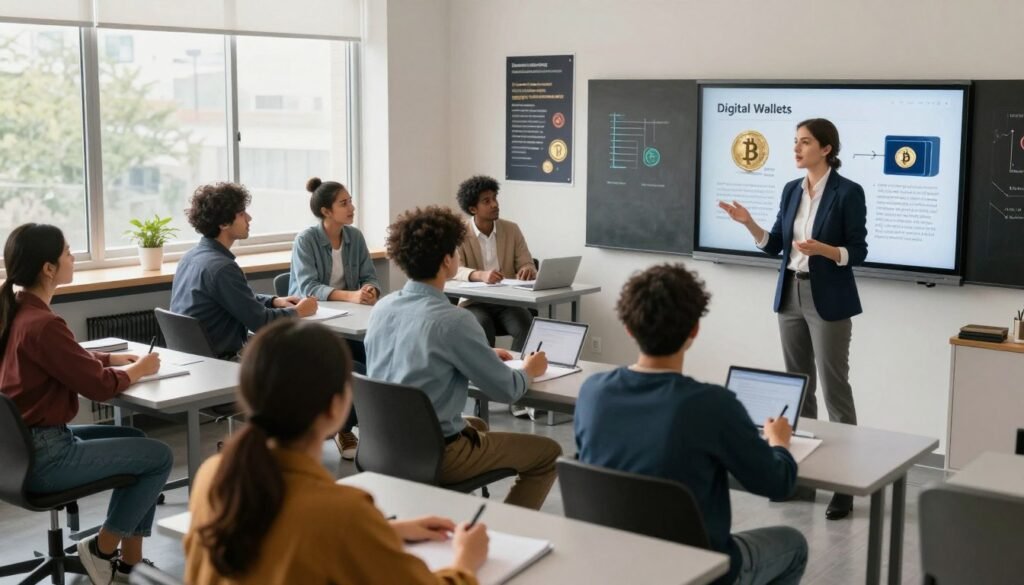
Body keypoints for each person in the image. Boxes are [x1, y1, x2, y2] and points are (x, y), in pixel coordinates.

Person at [184, 319, 489, 584]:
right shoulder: (343, 513)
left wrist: (384, 531)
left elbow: (287, 536)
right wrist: (465, 560)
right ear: (336, 406)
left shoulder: (213, 475)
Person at [574, 264, 807, 585]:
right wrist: (779, 443)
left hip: (615, 564)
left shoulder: (592, 392)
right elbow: (778, 484)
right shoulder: (713, 405)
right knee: (794, 545)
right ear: (694, 330)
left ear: (628, 328)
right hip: (700, 571)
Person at [0, 223, 173, 584]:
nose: (73, 256)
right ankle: (102, 550)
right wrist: (139, 368)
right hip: (46, 456)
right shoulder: (43, 324)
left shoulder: (16, 312)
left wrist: (108, 358)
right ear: (48, 268)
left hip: (17, 452)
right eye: (66, 252)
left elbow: (62, 357)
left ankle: (130, 565)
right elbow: (98, 388)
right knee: (160, 457)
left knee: (139, 443)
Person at [718, 118, 867, 520]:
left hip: (829, 300)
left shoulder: (848, 192)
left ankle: (843, 489)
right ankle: (800, 480)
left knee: (835, 392)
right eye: (795, 142)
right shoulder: (790, 190)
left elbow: (858, 251)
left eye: (805, 143)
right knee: (799, 391)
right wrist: (749, 224)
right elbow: (778, 247)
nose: (797, 149)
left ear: (827, 149)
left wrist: (825, 250)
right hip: (790, 296)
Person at [365, 206, 561, 510]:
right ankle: (506, 530)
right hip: (438, 455)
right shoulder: (454, 320)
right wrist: (529, 369)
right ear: (447, 261)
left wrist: (480, 353)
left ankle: (451, 515)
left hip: (385, 445)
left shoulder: (383, 308)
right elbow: (507, 390)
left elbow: (422, 358)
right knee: (547, 453)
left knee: (476, 425)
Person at [171, 182, 317, 360]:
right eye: (241, 214)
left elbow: (236, 299)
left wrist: (274, 301)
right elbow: (261, 322)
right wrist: (299, 311)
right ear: (224, 223)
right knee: (309, 360)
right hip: (223, 363)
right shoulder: (222, 268)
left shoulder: (190, 258)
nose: (249, 218)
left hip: (195, 360)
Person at [288, 176, 380, 459]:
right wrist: (352, 296)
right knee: (352, 366)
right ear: (326, 211)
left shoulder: (355, 237)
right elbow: (309, 289)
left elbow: (370, 276)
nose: (351, 207)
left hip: (350, 319)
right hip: (313, 324)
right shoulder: (307, 240)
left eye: (350, 201)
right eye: (344, 203)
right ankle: (345, 428)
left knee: (377, 353)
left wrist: (369, 290)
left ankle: (378, 427)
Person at [452, 175, 537, 351]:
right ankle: (489, 375)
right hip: (473, 302)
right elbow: (454, 270)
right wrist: (480, 275)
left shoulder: (511, 229)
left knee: (527, 326)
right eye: (487, 201)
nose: (495, 204)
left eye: (495, 198)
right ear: (473, 208)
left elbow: (526, 261)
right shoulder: (459, 233)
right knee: (482, 327)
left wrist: (527, 269)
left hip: (507, 300)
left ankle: (517, 372)